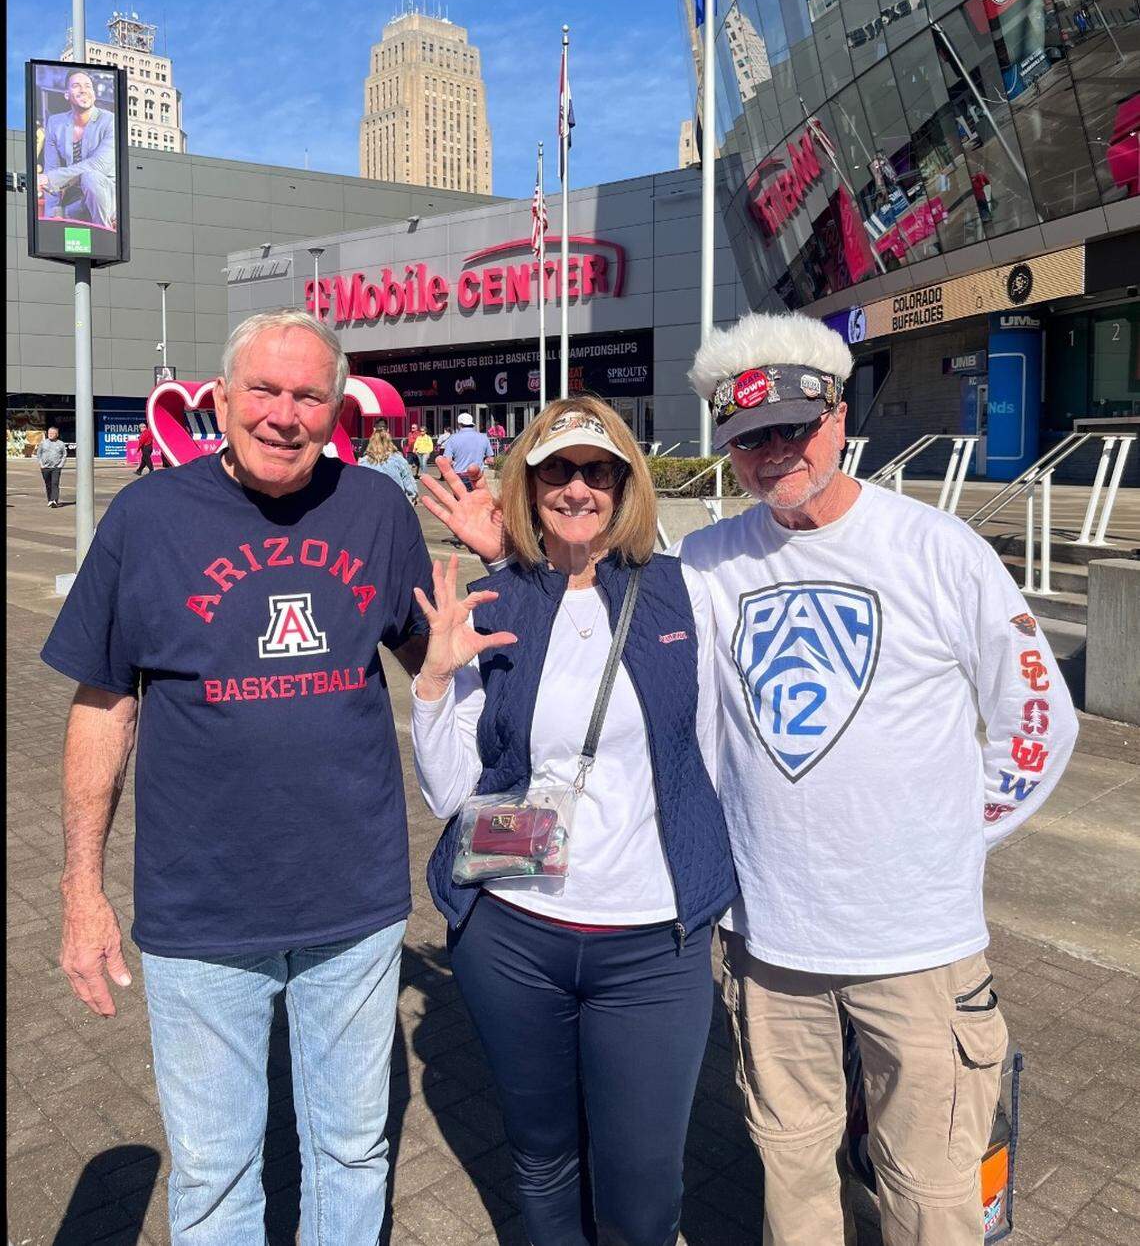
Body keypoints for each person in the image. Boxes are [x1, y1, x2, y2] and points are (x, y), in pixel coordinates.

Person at [426, 312, 1079, 1246]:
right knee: (792, 1176)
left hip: (916, 940)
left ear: (838, 417)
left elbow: (1039, 718)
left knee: (931, 1188)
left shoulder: (938, 547)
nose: (774, 453)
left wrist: (950, 837)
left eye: (793, 428)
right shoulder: (707, 562)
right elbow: (586, 612)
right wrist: (505, 555)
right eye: (748, 437)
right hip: (769, 939)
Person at [41, 308, 433, 1245]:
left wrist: (504, 576)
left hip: (355, 901)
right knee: (216, 1173)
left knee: (351, 1151)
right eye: (264, 389)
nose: (284, 414)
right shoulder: (147, 518)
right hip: (201, 912)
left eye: (308, 395)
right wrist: (81, 891)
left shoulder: (377, 510)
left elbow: (434, 661)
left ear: (336, 409)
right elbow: (104, 706)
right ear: (220, 397)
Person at [412, 399, 737, 1246]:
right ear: (528, 485)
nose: (577, 487)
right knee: (544, 1160)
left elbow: (707, 757)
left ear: (625, 483)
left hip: (652, 943)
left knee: (643, 1188)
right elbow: (450, 793)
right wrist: (434, 682)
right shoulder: (498, 600)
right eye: (556, 469)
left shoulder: (684, 593)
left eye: (598, 470)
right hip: (513, 933)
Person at [38, 69, 116, 229]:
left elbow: (99, 165)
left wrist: (51, 178)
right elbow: (51, 169)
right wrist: (51, 214)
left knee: (90, 177)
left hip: (106, 196)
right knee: (58, 216)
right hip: (76, 202)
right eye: (76, 86)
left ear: (94, 94)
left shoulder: (110, 121)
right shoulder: (55, 123)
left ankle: (104, 232)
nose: (83, 90)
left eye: (88, 86)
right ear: (67, 95)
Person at [360, 424, 418, 503]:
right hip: (395, 502)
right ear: (389, 441)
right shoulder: (399, 460)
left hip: (372, 503)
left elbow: (360, 488)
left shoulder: (363, 462)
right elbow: (411, 487)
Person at [442, 410, 493, 490]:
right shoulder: (483, 437)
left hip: (460, 476)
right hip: (477, 476)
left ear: (459, 424)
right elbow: (490, 460)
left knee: (461, 498)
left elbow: (448, 461)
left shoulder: (453, 438)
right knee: (478, 497)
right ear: (472, 423)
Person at [35, 425, 67, 507]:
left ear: (57, 434)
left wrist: (60, 465)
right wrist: (41, 464)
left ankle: (54, 500)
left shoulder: (61, 444)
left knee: (55, 483)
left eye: (53, 433)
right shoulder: (43, 443)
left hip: (56, 468)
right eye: (49, 433)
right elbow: (38, 454)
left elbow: (64, 455)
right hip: (45, 467)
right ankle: (50, 499)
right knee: (48, 484)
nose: (50, 434)